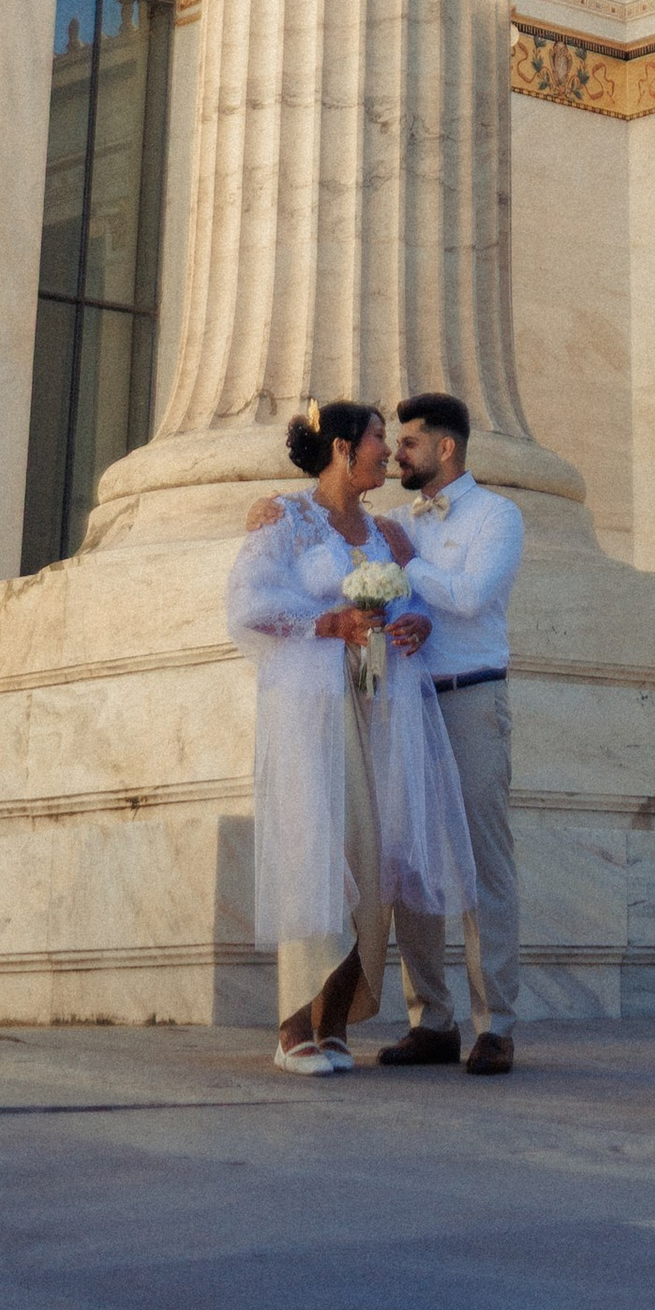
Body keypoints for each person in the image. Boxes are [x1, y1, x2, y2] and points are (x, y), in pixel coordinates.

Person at [227, 399, 473, 1077]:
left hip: (383, 709)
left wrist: (417, 625)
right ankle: (292, 1025)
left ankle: (333, 1020)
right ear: (341, 447)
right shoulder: (285, 518)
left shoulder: (390, 536)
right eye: (375, 439)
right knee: (323, 848)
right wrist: (323, 623)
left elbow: (418, 605)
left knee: (376, 854)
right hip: (314, 712)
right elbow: (248, 604)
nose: (386, 453)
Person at [376, 390, 524, 1075]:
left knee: (481, 862)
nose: (397, 454)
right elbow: (416, 600)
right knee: (411, 858)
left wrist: (407, 562)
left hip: (471, 701)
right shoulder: (402, 523)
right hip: (410, 700)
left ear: (446, 449)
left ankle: (495, 1025)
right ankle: (429, 1018)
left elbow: (469, 596)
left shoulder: (499, 516)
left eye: (408, 443)